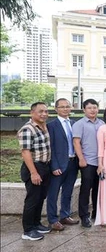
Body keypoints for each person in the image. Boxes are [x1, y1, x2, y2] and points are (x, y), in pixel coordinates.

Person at [18, 102, 52, 240]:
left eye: (46, 111)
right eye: (40, 111)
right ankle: (28, 230)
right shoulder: (28, 129)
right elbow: (25, 153)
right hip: (34, 167)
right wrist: (33, 172)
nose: (44, 114)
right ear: (32, 113)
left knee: (40, 197)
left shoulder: (43, 127)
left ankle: (36, 224)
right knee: (32, 199)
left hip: (45, 166)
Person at [46, 98, 79, 231]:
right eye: (62, 107)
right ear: (56, 109)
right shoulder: (51, 126)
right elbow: (51, 148)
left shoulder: (74, 123)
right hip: (58, 165)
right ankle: (53, 220)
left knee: (68, 191)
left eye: (67, 106)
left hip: (73, 163)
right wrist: (54, 166)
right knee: (53, 193)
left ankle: (65, 215)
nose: (65, 109)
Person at [73, 99, 104, 228]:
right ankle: (84, 216)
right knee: (86, 189)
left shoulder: (102, 123)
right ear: (84, 110)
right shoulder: (79, 124)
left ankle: (96, 213)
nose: (93, 110)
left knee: (98, 189)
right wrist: (81, 159)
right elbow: (76, 142)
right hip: (87, 162)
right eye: (90, 108)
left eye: (95, 107)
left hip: (100, 162)